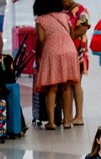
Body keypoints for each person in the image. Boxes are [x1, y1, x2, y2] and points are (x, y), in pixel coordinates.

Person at [33, 0, 80, 130]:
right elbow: (70, 35)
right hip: (69, 52)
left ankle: (52, 122)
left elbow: (41, 40)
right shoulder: (65, 16)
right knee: (66, 88)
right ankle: (66, 121)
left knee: (52, 88)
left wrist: (38, 54)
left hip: (52, 53)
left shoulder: (40, 20)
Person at [63, 0, 91, 126]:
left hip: (78, 52)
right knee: (67, 84)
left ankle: (79, 116)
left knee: (76, 83)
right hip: (66, 51)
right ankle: (68, 117)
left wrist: (67, 34)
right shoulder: (62, 10)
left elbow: (83, 29)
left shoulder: (81, 11)